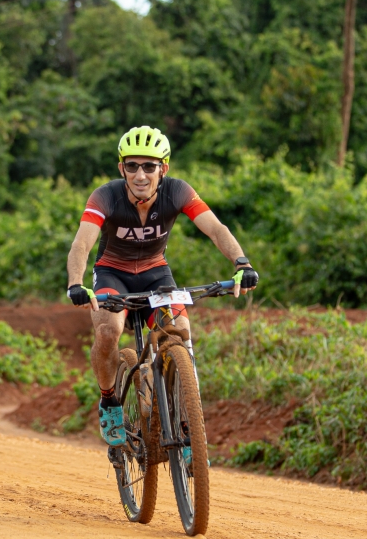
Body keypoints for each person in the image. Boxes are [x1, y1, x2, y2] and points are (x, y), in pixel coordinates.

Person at [65, 125, 259, 446]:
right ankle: (109, 400)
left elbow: (216, 229)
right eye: (132, 166)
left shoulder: (178, 191)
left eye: (149, 166)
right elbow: (82, 243)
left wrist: (242, 264)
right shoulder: (105, 196)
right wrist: (76, 283)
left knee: (180, 330)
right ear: (121, 169)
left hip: (156, 273)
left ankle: (187, 423)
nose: (140, 175)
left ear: (163, 169)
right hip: (112, 273)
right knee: (108, 331)